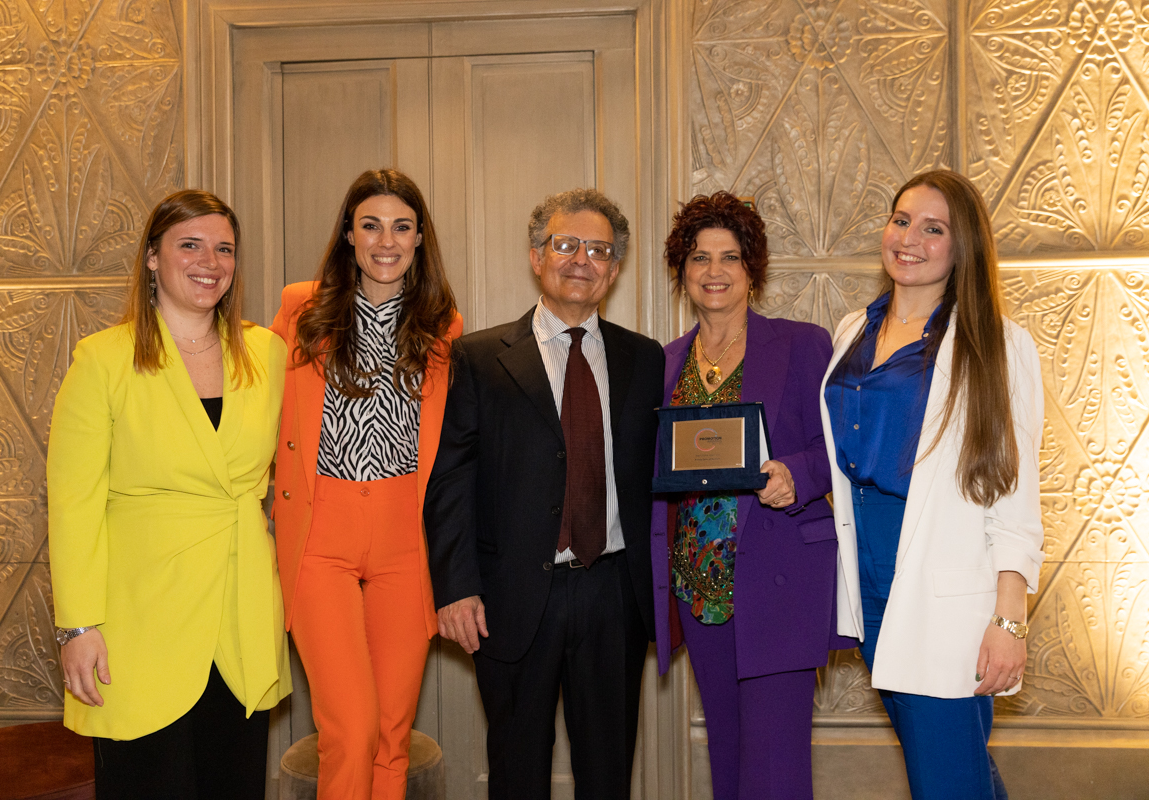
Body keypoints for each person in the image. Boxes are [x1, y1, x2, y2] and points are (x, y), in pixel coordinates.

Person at [48, 190, 291, 799]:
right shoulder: (103, 360)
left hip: (240, 610)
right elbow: (73, 503)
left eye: (224, 249)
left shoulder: (267, 353)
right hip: (139, 618)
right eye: (190, 245)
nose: (210, 262)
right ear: (152, 257)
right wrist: (77, 627)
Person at [424, 188, 663, 800]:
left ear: (614, 268)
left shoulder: (645, 360)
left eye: (599, 250)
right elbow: (451, 481)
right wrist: (455, 587)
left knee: (607, 775)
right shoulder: (480, 358)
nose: (582, 259)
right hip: (511, 598)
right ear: (537, 257)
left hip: (614, 594)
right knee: (517, 771)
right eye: (565, 244)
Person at [819, 169, 1044, 799]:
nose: (909, 238)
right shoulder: (852, 330)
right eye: (901, 220)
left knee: (945, 779)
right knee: (954, 769)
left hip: (944, 589)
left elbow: (1014, 496)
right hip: (867, 578)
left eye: (933, 228)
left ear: (961, 246)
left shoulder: (998, 345)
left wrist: (1010, 621)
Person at [649, 192, 856, 800]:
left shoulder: (802, 344)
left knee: (774, 769)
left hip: (778, 581)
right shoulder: (665, 363)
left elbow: (840, 449)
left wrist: (797, 473)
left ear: (752, 269)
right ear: (682, 271)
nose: (714, 271)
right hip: (698, 588)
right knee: (729, 760)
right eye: (699, 257)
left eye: (730, 257)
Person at [270, 168, 460, 800]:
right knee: (350, 729)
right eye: (371, 225)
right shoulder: (302, 308)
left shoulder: (443, 324)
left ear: (419, 237)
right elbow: (261, 409)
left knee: (390, 733)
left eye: (401, 227)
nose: (386, 241)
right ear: (348, 235)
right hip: (320, 532)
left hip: (406, 536)